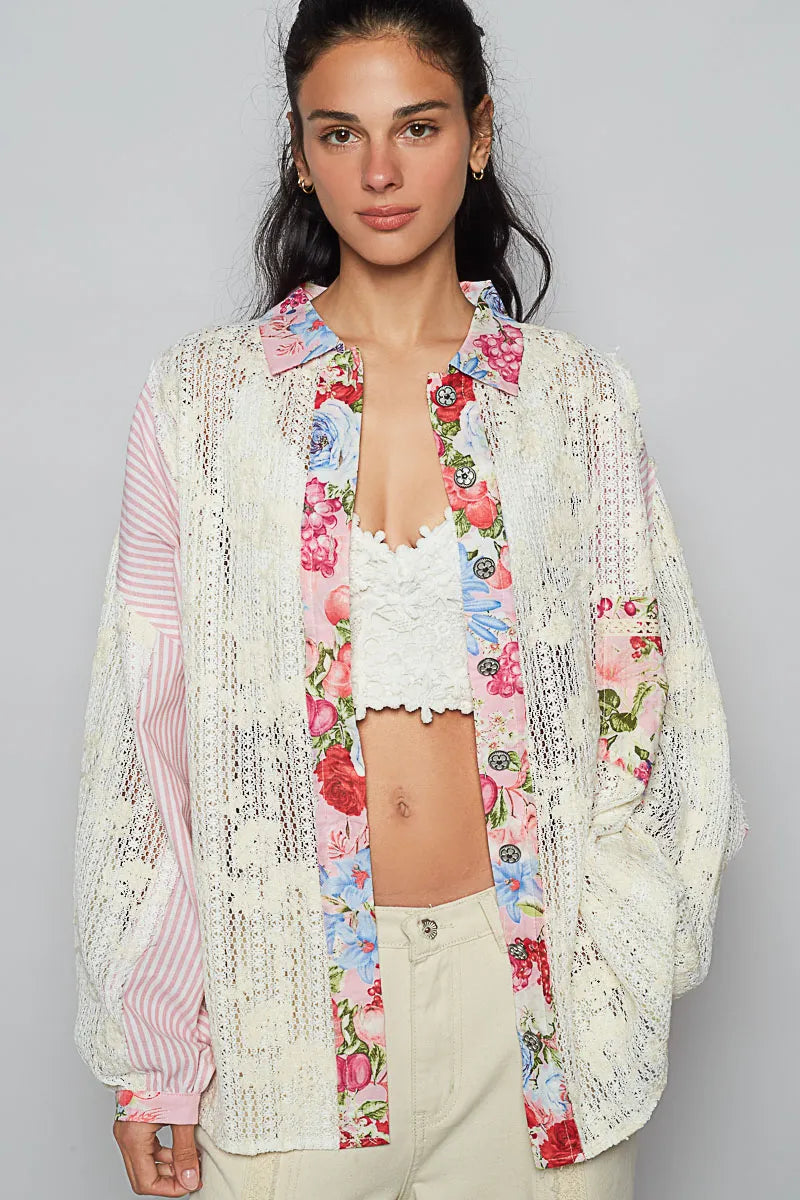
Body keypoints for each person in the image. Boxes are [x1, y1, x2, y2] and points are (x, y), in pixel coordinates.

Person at [72, 1, 749, 1197]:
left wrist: (616, 968)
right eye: (338, 133)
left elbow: (650, 712)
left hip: (533, 1019)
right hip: (284, 1015)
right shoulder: (202, 404)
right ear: (299, 153)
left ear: (476, 136)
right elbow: (149, 740)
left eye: (417, 127)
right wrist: (156, 1060)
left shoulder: (573, 403)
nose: (377, 172)